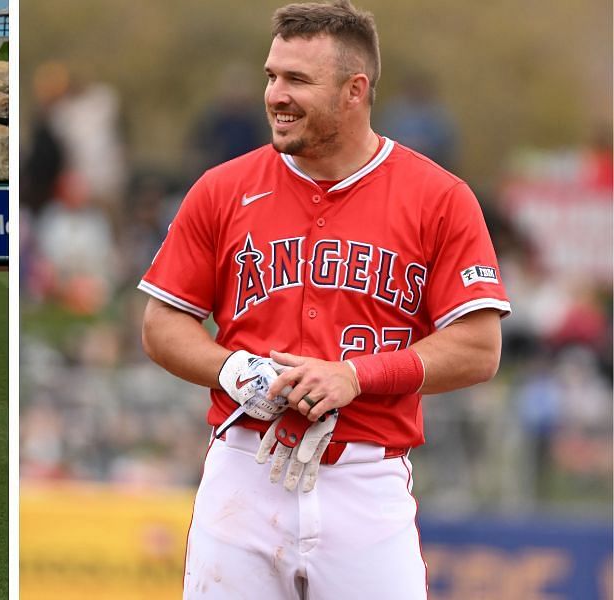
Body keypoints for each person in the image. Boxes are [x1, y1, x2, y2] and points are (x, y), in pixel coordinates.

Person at [137, 2, 511, 598]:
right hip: (244, 469)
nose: (275, 95)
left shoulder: (439, 196)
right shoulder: (223, 188)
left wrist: (356, 377)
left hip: (366, 480)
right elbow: (162, 323)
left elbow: (479, 347)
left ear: (354, 91)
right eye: (271, 76)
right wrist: (235, 368)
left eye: (297, 80)